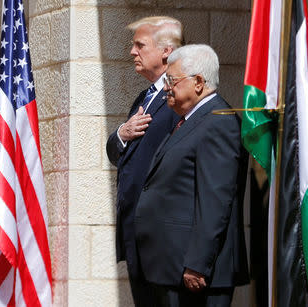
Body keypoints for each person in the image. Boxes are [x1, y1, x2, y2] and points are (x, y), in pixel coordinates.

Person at [134, 44, 250, 307]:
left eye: (171, 81)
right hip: (172, 269)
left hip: (195, 275)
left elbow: (215, 200)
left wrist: (197, 264)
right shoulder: (192, 120)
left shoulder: (218, 122)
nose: (165, 88)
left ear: (198, 82)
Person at [106, 16, 183, 306]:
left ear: (166, 50)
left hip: (162, 237)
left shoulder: (179, 96)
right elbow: (116, 152)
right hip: (136, 233)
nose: (132, 52)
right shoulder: (144, 96)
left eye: (140, 45)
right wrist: (121, 134)